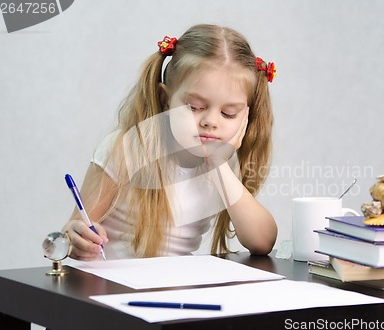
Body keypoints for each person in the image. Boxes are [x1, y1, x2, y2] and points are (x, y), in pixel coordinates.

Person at [62, 24, 278, 261]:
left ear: (245, 116)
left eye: (228, 113)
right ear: (165, 100)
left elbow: (262, 241)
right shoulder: (127, 148)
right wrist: (78, 238)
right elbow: (74, 231)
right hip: (112, 286)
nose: (210, 122)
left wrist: (218, 165)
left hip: (176, 287)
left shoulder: (221, 165)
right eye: (195, 108)